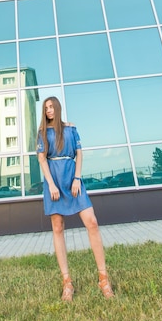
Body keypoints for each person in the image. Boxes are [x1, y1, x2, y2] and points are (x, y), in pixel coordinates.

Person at [36, 96, 114, 302]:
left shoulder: (71, 129)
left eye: (52, 106)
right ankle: (67, 282)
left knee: (92, 222)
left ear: (58, 107)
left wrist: (77, 178)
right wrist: (51, 184)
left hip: (73, 179)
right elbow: (41, 159)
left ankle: (103, 278)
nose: (49, 110)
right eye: (46, 108)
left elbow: (79, 153)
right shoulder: (42, 133)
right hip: (54, 181)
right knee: (58, 227)